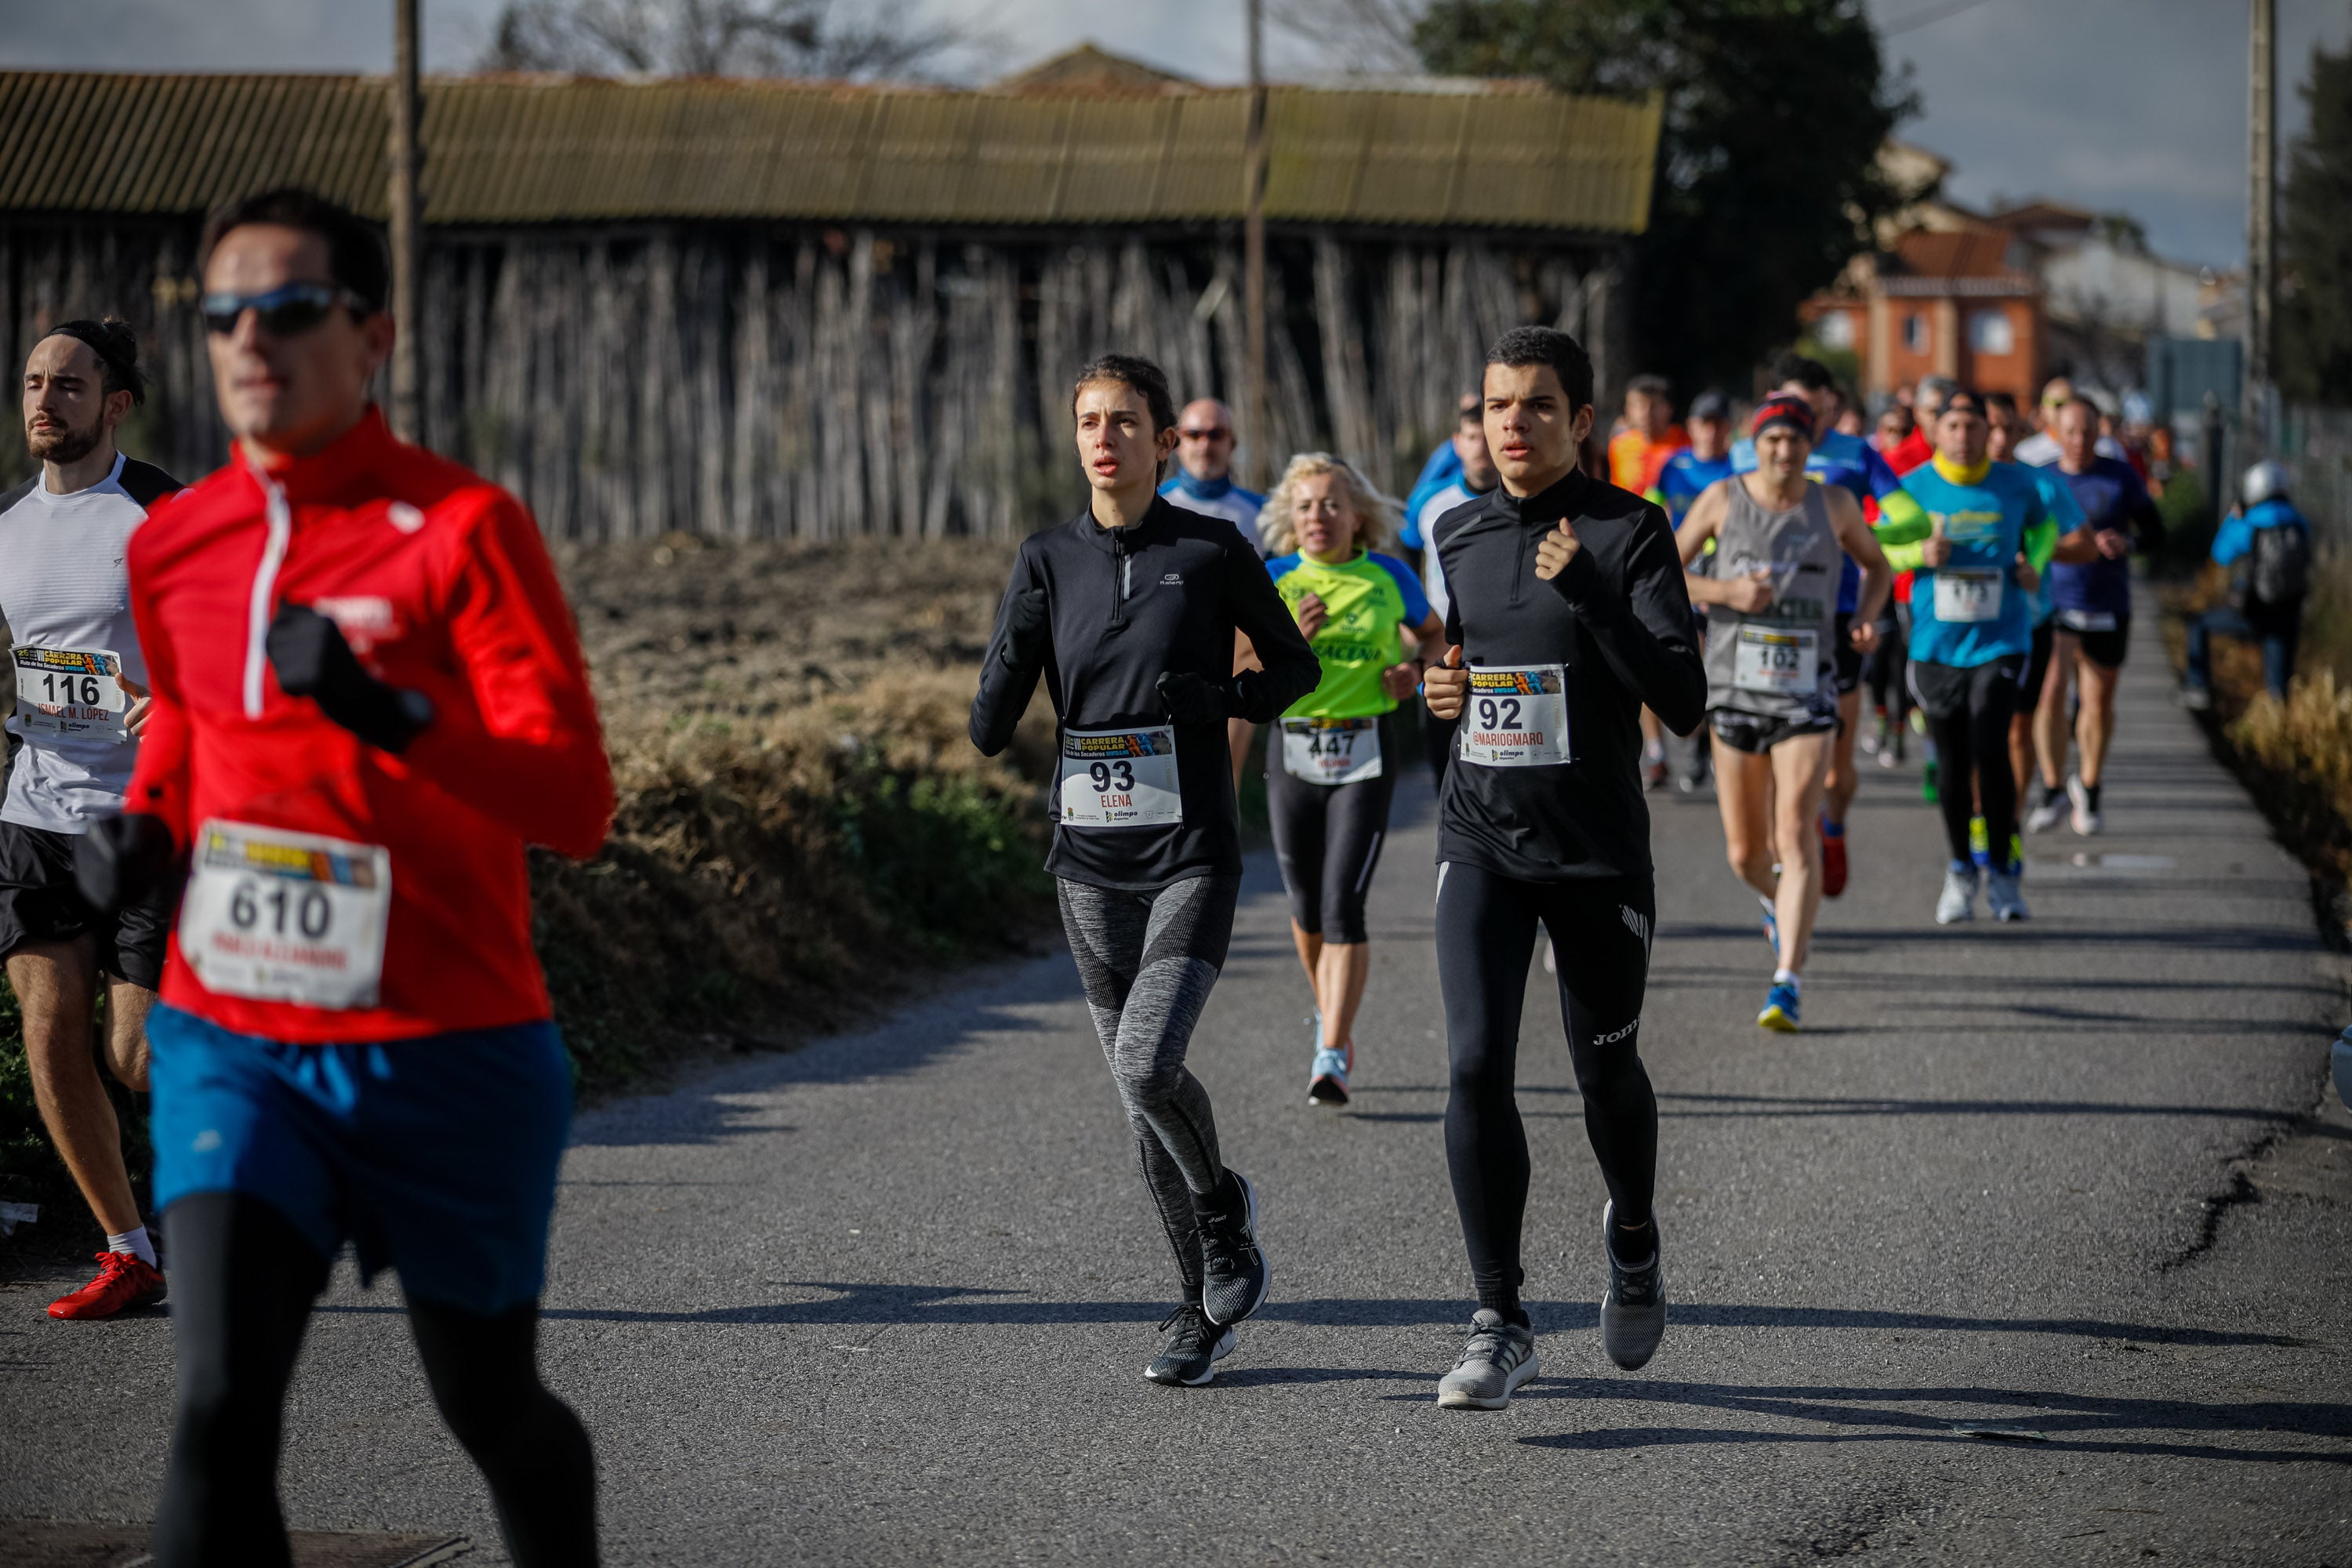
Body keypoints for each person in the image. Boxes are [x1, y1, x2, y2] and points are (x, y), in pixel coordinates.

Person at [71, 188, 614, 1566]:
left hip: (449, 1045)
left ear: (370, 335)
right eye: (223, 313)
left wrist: (390, 713)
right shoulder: (177, 544)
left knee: (488, 1404)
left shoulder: (461, 528)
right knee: (218, 1405)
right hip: (239, 1037)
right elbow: (185, 731)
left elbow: (576, 802)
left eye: (290, 308)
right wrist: (144, 825)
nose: (252, 336)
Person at [973, 354, 1318, 1389]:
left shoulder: (1211, 550)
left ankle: (1222, 1208)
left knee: (1146, 1066)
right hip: (1088, 867)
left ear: (1165, 442)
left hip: (1191, 856)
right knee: (1139, 1101)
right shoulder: (1045, 559)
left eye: (1125, 420)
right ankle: (1195, 1306)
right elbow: (991, 728)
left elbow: (1291, 668)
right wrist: (1010, 649)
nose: (1104, 437)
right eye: (1088, 420)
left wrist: (1219, 696)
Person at [1420, 326, 1704, 1409]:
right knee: (1473, 1065)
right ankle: (1499, 1320)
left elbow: (1682, 701)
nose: (1513, 425)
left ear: (1581, 422)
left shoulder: (1630, 533)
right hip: (1481, 837)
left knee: (1604, 1077)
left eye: (1537, 406)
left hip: (1594, 856)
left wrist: (1590, 591)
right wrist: (1436, 702)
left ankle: (1633, 1234)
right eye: (1498, 406)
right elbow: (1463, 670)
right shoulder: (1456, 531)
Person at [1, 318, 181, 1321]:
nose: (44, 399)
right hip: (34, 810)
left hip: (147, 813)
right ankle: (130, 1252)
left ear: (114, 403)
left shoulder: (164, 513)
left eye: (68, 384)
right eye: (33, 381)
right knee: (49, 1029)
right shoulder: (6, 526)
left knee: (137, 1058)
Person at [1679, 394, 1889, 1032]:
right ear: (1755, 441)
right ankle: (1781, 905)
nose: (1784, 451)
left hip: (1807, 692)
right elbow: (1660, 569)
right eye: (1773, 439)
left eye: (1795, 441)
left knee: (1795, 833)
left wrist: (1867, 616)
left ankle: (1787, 982)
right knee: (1745, 853)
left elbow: (1877, 566)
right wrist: (1726, 592)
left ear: (1810, 444)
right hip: (1735, 693)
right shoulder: (1721, 499)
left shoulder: (1834, 505)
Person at [1253, 455, 1443, 1105]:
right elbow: (1233, 662)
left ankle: (1331, 1048)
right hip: (1293, 749)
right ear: (1290, 517)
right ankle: (1330, 1008)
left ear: (1357, 515)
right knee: (1306, 908)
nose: (1318, 517)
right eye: (1305, 506)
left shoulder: (1386, 575)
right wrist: (1286, 642)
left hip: (1365, 748)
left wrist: (1414, 672)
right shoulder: (1273, 577)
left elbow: (1436, 638)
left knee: (1342, 904)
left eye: (1332, 504)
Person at [1731, 355, 1930, 898]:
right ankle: (1785, 874)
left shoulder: (1855, 454)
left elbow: (1911, 519)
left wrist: (1850, 536)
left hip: (1838, 617)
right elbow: (1722, 531)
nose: (1805, 423)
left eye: (1816, 412)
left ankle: (1833, 827)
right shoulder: (1745, 455)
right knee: (1777, 761)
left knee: (1836, 773)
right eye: (1794, 410)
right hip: (1769, 619)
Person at [1885, 388, 2064, 925]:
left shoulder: (2018, 483)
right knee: (1953, 763)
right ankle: (1962, 868)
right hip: (1935, 645)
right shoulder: (1912, 488)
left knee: (1991, 740)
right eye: (1953, 427)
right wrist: (1919, 553)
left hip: (2002, 638)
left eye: (1973, 426)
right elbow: (1877, 545)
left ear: (1990, 433)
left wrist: (2033, 563)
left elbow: (2047, 526)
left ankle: (2005, 873)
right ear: (1936, 433)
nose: (1964, 436)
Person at [2024, 400, 2161, 837]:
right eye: (2070, 432)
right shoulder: (2042, 478)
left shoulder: (2121, 476)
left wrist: (2128, 543)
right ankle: (2051, 788)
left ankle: (2090, 786)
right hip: (2056, 603)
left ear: (2099, 432)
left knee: (2097, 703)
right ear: (2054, 431)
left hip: (2106, 602)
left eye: (2087, 432)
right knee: (2048, 695)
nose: (2079, 442)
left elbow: (2156, 533)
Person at [1156, 397, 1269, 791]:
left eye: (1216, 434)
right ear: (1175, 442)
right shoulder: (1155, 506)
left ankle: (1224, 845)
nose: (1205, 444)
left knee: (1223, 773)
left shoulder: (1262, 513)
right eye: (1195, 434)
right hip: (1170, 649)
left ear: (1232, 443)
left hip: (1239, 658)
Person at [1399, 395, 1497, 789]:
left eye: (1487, 436)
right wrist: (1410, 623)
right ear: (1457, 443)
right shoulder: (1429, 501)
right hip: (1444, 648)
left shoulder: (1522, 498)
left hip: (1500, 648)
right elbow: (1406, 559)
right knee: (1445, 770)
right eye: (1472, 437)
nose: (1481, 447)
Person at [1647, 390, 1736, 793]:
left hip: (1722, 573)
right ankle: (1685, 748)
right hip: (1678, 571)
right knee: (1681, 657)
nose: (1710, 431)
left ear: (1728, 429)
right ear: (1693, 426)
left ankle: (1707, 744)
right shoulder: (1674, 465)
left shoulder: (1737, 469)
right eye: (1703, 423)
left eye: (1718, 423)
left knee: (1711, 660)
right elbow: (1653, 507)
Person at [2183, 461, 2310, 709]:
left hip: (2253, 613)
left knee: (2198, 624)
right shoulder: (2299, 522)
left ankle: (2198, 687)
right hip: (2289, 614)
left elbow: (2220, 554)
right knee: (2278, 691)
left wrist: (2233, 517)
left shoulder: (2251, 521)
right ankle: (2278, 732)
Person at [1607, 373, 1688, 498]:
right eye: (1639, 405)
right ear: (1627, 409)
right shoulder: (1619, 446)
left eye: (1654, 405)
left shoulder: (1686, 444)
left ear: (1669, 408)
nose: (1646, 413)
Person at [1886, 376, 1952, 474]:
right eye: (1933, 411)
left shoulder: (1970, 456)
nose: (1940, 418)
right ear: (1916, 413)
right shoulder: (1897, 460)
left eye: (1946, 411)